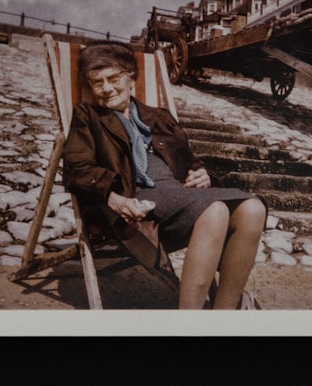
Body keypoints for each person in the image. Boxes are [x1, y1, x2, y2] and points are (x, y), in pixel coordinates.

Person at [62, 40, 266, 309]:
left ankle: (224, 315)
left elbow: (188, 160)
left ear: (131, 77)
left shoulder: (158, 116)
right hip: (136, 199)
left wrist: (201, 173)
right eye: (97, 82)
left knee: (253, 208)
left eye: (113, 78)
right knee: (214, 210)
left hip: (179, 195)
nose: (107, 88)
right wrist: (115, 200)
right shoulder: (88, 116)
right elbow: (77, 170)